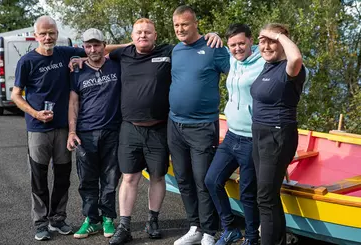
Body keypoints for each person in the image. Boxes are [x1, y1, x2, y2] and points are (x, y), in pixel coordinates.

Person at [107, 18, 222, 245]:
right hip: (130, 128)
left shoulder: (170, 52)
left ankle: (153, 220)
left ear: (156, 35)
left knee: (157, 176)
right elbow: (103, 50)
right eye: (138, 32)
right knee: (129, 177)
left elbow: (192, 43)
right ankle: (124, 226)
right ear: (131, 37)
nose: (143, 36)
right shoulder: (123, 54)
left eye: (148, 32)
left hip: (160, 128)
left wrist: (214, 34)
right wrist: (82, 55)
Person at [11, 16, 86, 241]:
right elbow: (16, 95)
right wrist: (35, 113)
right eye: (43, 33)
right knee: (39, 178)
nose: (47, 37)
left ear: (56, 33)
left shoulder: (64, 53)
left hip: (63, 128)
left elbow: (96, 49)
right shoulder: (27, 61)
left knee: (63, 176)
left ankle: (58, 219)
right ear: (36, 35)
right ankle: (41, 223)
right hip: (37, 128)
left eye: (51, 33)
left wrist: (132, 45)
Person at [168, 5, 230, 245]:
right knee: (183, 178)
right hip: (175, 125)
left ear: (195, 24)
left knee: (202, 179)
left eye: (184, 24)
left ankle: (208, 231)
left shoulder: (213, 47)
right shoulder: (176, 50)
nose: (180, 29)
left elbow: (238, 69)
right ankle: (194, 226)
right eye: (176, 25)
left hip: (203, 126)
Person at [205, 24, 264, 245]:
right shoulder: (230, 59)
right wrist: (211, 34)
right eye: (233, 45)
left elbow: (292, 60)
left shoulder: (263, 61)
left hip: (252, 139)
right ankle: (230, 229)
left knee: (247, 193)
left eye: (241, 43)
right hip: (232, 136)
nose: (237, 48)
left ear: (250, 41)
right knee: (212, 180)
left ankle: (251, 238)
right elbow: (207, 42)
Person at [250, 23, 306, 245]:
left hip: (278, 135)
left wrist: (278, 35)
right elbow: (238, 48)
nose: (265, 45)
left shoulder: (290, 68)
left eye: (270, 40)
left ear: (283, 42)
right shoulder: (267, 66)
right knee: (268, 196)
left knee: (264, 197)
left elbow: (295, 58)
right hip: (260, 134)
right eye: (262, 40)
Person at [66, 28, 122, 239]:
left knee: (110, 179)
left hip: (112, 131)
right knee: (87, 180)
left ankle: (107, 218)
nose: (92, 49)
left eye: (96, 44)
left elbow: (134, 45)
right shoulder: (77, 71)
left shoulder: (116, 65)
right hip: (85, 134)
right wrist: (72, 131)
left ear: (104, 45)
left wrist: (109, 52)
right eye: (88, 46)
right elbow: (73, 103)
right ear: (83, 47)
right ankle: (91, 220)